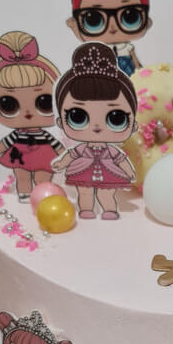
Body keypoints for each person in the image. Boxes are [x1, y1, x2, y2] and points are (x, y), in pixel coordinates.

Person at [53, 43, 137, 219]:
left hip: (108, 172)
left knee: (106, 194)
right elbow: (71, 155)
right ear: (60, 122)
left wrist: (130, 172)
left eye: (116, 118)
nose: (96, 127)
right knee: (84, 193)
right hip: (82, 170)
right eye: (78, 117)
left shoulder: (112, 151)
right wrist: (61, 163)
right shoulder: (81, 149)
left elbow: (121, 160)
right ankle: (86, 210)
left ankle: (109, 210)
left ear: (133, 125)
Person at [0, 32, 62, 202]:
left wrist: (64, 154)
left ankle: (44, 196)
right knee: (22, 176)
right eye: (8, 104)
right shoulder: (16, 134)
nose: (27, 113)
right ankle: (25, 194)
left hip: (43, 154)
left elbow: (56, 145)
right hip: (18, 154)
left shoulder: (45, 135)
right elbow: (7, 141)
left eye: (44, 102)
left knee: (43, 177)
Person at [61, 0, 156, 75]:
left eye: (130, 16)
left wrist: (141, 74)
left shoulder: (126, 48)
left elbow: (136, 63)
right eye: (94, 19)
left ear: (146, 21)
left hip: (129, 75)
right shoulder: (96, 50)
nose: (112, 27)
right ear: (75, 22)